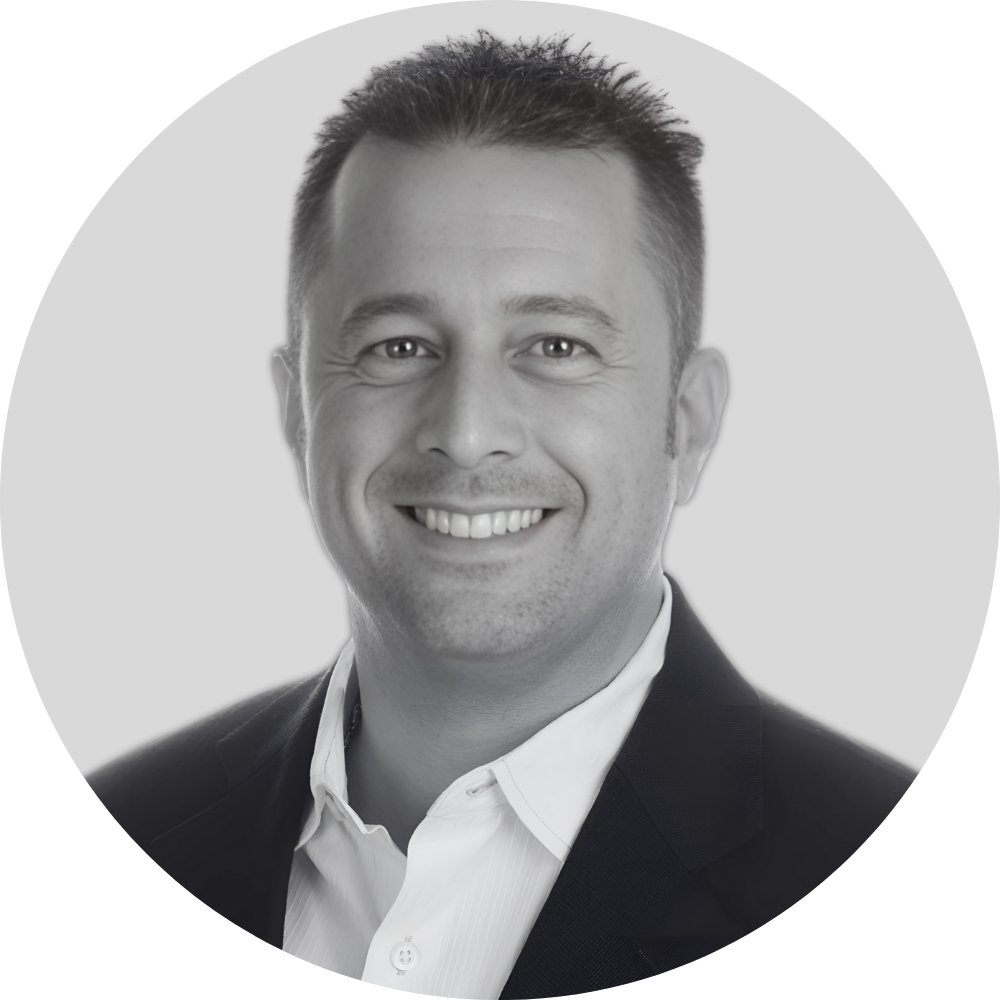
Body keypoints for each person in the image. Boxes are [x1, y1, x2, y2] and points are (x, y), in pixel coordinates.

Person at [88, 32, 916, 999]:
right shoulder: (110, 839)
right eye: (399, 347)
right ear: (297, 413)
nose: (469, 432)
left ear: (687, 424)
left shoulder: (893, 875)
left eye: (556, 346)